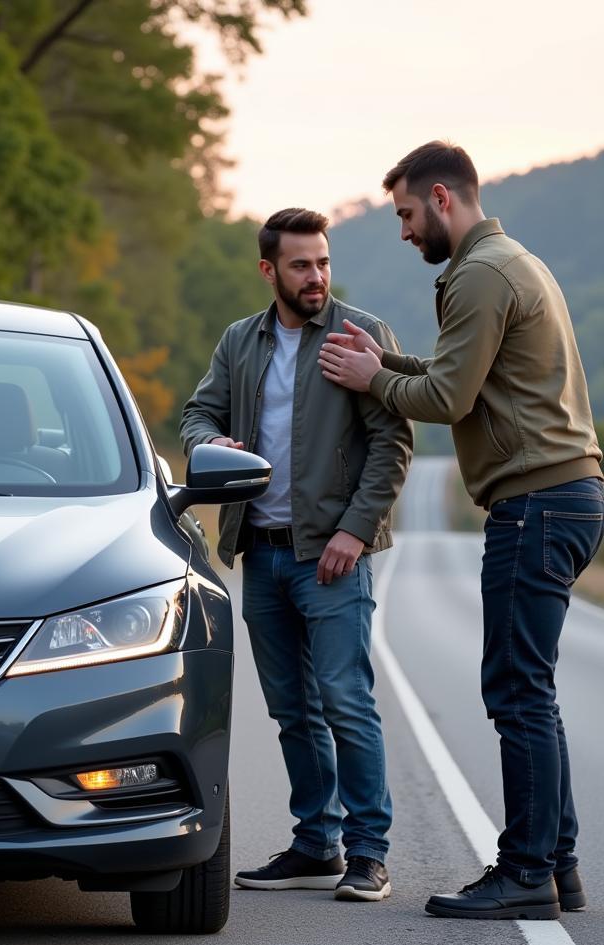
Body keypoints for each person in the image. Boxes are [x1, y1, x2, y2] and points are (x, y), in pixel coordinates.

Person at [318, 142, 604, 920]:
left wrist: (371, 378)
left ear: (442, 198)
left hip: (538, 503)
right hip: (567, 496)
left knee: (515, 693)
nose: (406, 232)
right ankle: (559, 868)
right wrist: (386, 359)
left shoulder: (479, 274)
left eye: (408, 215)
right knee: (532, 691)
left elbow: (448, 399)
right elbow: (467, 375)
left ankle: (524, 875)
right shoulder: (514, 262)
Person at [180, 208, 413, 902]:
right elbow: (200, 412)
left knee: (346, 701)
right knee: (292, 711)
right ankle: (317, 842)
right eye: (301, 265)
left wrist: (355, 529)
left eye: (324, 263)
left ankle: (369, 853)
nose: (316, 277)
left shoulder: (361, 335)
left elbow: (393, 445)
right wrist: (205, 444)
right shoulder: (239, 342)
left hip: (332, 558)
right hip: (261, 552)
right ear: (269, 271)